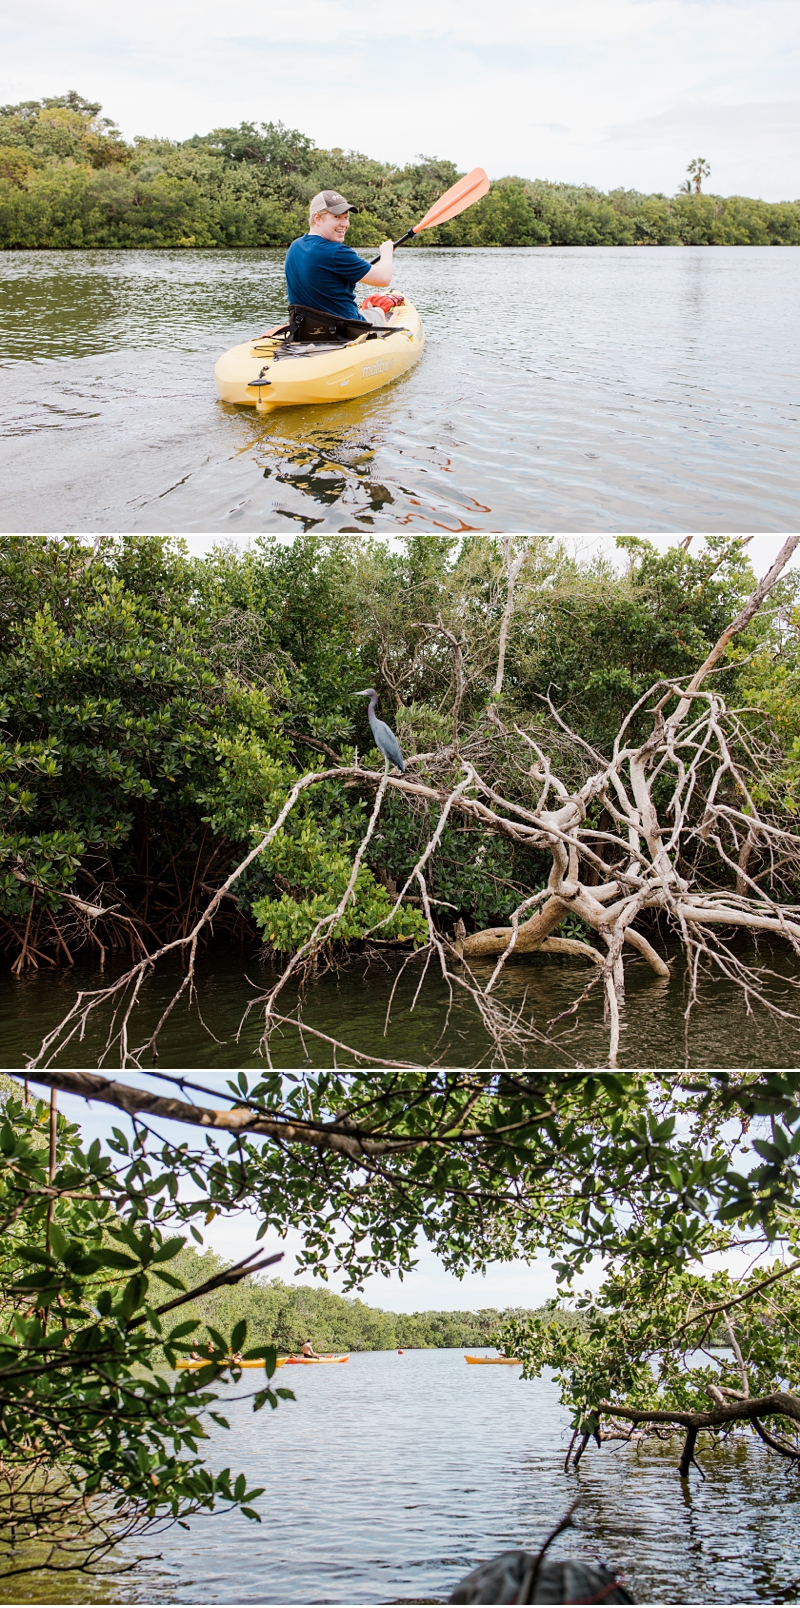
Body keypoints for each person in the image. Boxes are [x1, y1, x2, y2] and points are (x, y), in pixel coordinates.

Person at [284, 190, 394, 326]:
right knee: (379, 311)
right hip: (345, 330)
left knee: (369, 309)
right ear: (317, 218)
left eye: (346, 217)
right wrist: (387, 251)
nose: (344, 224)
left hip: (305, 329)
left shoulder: (295, 247)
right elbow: (384, 278)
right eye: (337, 217)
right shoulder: (336, 252)